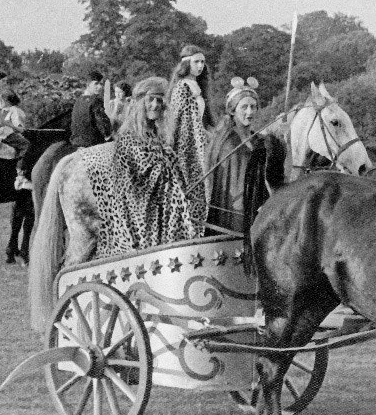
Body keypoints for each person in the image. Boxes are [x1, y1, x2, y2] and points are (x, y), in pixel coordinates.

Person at [73, 77, 206, 262]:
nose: (155, 105)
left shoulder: (156, 134)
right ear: (140, 104)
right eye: (150, 100)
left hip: (163, 210)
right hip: (140, 216)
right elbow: (139, 180)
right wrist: (168, 168)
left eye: (159, 100)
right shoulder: (130, 136)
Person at [205, 77, 283, 236]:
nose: (250, 112)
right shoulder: (229, 144)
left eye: (253, 107)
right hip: (237, 214)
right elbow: (236, 187)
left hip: (261, 209)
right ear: (233, 110)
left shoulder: (257, 139)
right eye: (244, 107)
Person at [164, 44, 213, 225]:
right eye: (196, 62)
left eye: (202, 62)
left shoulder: (198, 86)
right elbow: (175, 119)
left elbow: (201, 119)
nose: (200, 66)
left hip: (200, 142)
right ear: (186, 64)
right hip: (186, 145)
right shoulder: (181, 87)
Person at [70, 69, 113, 149]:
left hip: (76, 144)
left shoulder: (78, 100)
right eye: (96, 84)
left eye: (101, 84)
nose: (100, 87)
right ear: (88, 84)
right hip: (93, 145)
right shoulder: (95, 101)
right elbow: (104, 125)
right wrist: (110, 136)